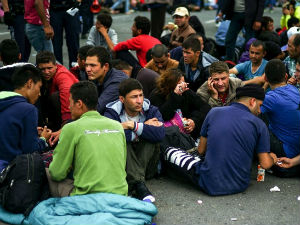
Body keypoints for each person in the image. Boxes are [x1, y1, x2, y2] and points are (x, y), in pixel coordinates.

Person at [163, 84, 276, 196]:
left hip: (209, 182)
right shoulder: (260, 124)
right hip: (240, 184)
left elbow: (201, 150)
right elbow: (266, 164)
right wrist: (273, 159)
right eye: (260, 105)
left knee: (170, 151)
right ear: (252, 101)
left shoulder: (214, 112)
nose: (260, 111)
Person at [48, 81, 128, 197]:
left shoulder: (70, 128)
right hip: (120, 194)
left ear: (79, 104)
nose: (69, 107)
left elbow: (57, 173)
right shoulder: (117, 126)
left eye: (70, 102)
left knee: (46, 172)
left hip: (86, 197)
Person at [104, 78, 165, 203]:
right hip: (123, 167)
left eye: (141, 95)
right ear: (122, 99)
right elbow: (109, 135)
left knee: (151, 139)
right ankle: (139, 184)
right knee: (122, 140)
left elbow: (160, 134)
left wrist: (133, 126)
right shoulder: (112, 113)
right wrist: (144, 128)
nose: (139, 101)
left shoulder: (151, 110)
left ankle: (136, 182)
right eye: (134, 97)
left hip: (148, 167)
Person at [0, 64, 51, 171]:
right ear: (30, 83)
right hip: (10, 173)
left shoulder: (4, 102)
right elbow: (30, 151)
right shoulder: (28, 109)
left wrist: (29, 131)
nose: (40, 94)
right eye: (39, 87)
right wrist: (42, 139)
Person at [261, 59, 300, 177]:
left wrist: (264, 85)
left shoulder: (269, 98)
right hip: (296, 151)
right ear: (286, 76)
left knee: (256, 121)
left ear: (266, 79)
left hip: (286, 153)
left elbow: (251, 108)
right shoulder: (295, 89)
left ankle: (265, 159)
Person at [149, 68, 210, 139]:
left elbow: (205, 108)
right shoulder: (157, 95)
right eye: (179, 84)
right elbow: (163, 116)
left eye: (183, 83)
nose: (182, 86)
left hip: (187, 136)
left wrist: (193, 121)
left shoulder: (186, 92)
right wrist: (175, 95)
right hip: (167, 136)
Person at [36, 51, 78, 131]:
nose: (46, 72)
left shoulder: (62, 75)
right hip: (51, 111)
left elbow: (66, 96)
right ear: (38, 67)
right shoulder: (36, 73)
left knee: (55, 97)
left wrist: (66, 124)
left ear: (56, 66)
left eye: (49, 68)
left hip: (71, 110)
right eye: (43, 69)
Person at [85, 46, 128, 114]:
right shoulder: (96, 75)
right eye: (86, 65)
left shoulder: (116, 82)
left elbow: (97, 109)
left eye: (92, 65)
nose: (88, 69)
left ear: (106, 66)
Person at [49, 0, 80, 67]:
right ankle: (58, 69)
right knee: (56, 42)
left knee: (73, 41)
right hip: (54, 8)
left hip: (72, 6)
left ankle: (75, 69)